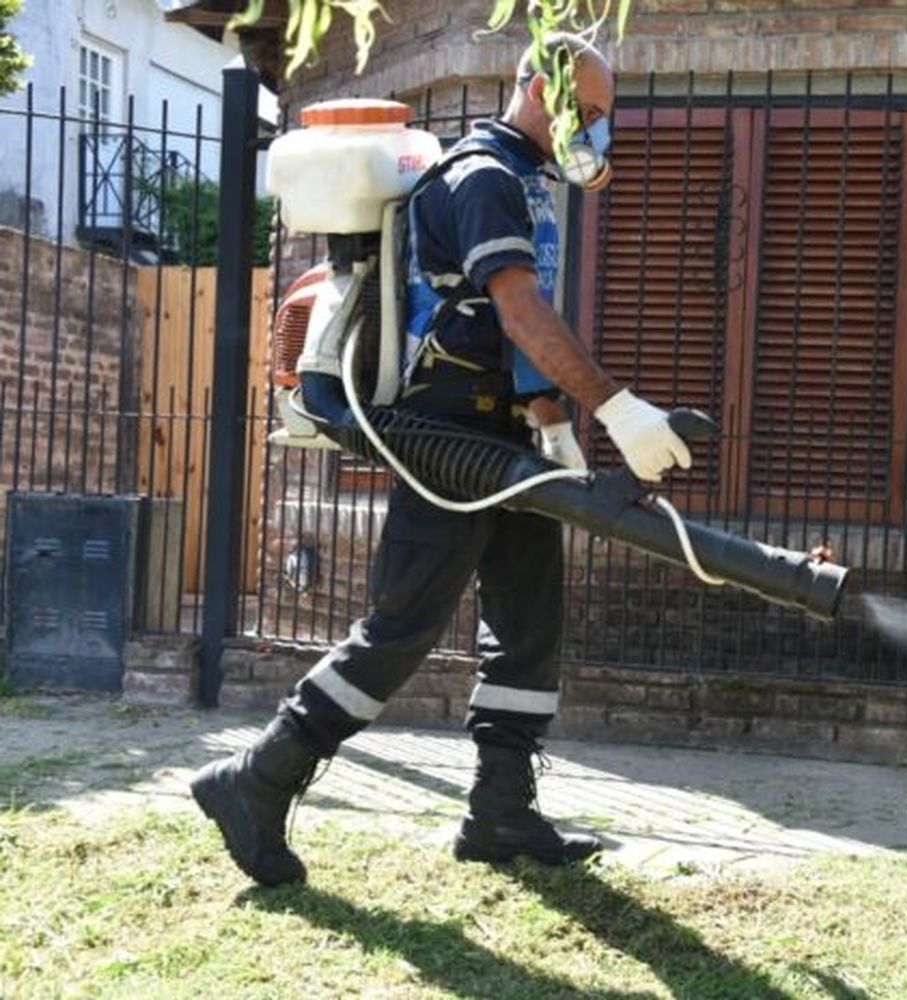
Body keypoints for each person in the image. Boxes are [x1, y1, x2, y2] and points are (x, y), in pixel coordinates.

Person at [191, 35, 693, 887]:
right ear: (539, 87)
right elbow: (520, 309)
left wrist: (551, 422)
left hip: (507, 435)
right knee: (404, 625)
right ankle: (257, 778)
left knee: (530, 625)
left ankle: (501, 813)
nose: (598, 133)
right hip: (448, 433)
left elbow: (510, 334)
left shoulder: (527, 181)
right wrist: (616, 406)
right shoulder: (482, 177)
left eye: (604, 119)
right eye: (591, 113)